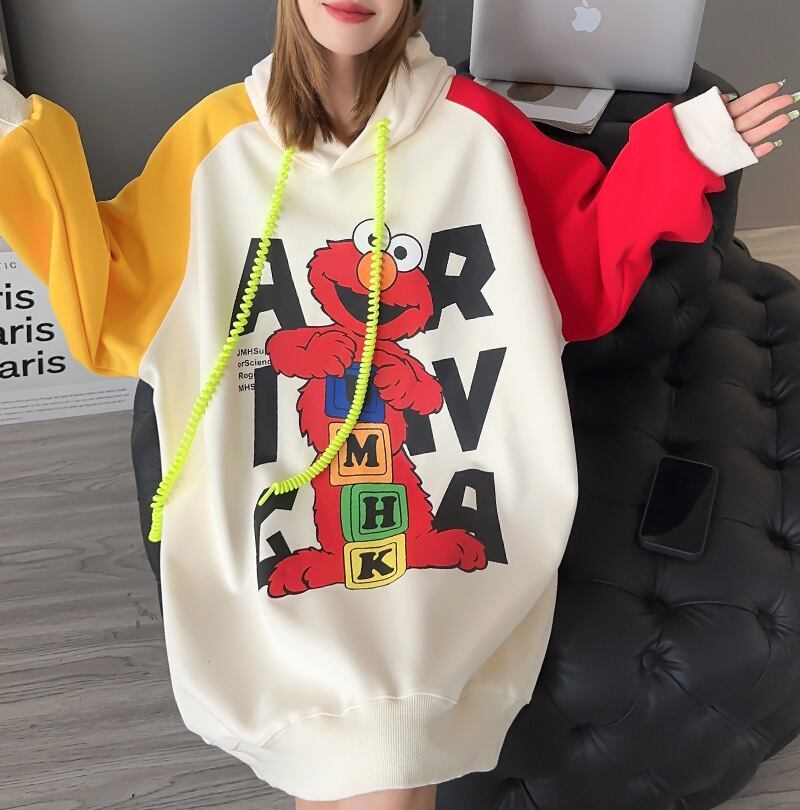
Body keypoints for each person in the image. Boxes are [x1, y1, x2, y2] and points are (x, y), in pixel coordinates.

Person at [0, 1, 797, 807]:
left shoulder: (476, 128)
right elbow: (112, 301)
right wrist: (13, 139)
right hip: (277, 505)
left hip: (452, 494)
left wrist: (684, 152)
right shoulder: (213, 144)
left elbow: (582, 271)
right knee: (375, 760)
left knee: (391, 750)